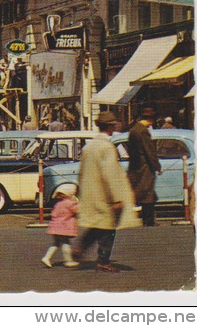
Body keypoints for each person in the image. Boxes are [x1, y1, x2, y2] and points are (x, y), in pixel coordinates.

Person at [74, 111, 139, 273]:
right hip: (106, 194)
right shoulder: (107, 147)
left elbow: (81, 171)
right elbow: (110, 173)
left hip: (92, 193)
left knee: (97, 224)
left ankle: (81, 246)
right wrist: (116, 198)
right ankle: (103, 260)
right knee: (108, 228)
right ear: (111, 127)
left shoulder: (89, 147)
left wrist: (80, 190)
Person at [127, 106, 163, 226]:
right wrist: (157, 166)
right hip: (145, 167)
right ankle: (148, 220)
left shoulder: (134, 130)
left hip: (136, 167)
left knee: (146, 193)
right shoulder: (142, 131)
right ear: (151, 119)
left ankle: (148, 219)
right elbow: (150, 151)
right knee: (147, 194)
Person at [42, 183, 80, 268]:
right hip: (63, 227)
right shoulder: (70, 203)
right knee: (66, 243)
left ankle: (47, 257)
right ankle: (68, 261)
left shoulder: (59, 204)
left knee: (56, 243)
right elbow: (78, 210)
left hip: (55, 227)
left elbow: (54, 214)